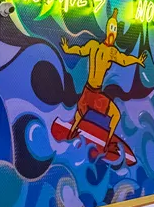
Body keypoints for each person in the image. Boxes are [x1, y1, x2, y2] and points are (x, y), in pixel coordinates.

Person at [60, 11, 146, 147]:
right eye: (112, 29)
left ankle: (72, 132)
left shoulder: (94, 45)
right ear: (108, 30)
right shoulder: (110, 52)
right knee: (116, 115)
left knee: (80, 114)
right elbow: (123, 60)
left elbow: (81, 50)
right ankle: (107, 145)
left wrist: (67, 49)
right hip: (95, 95)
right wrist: (137, 60)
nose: (113, 33)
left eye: (115, 30)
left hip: (87, 91)